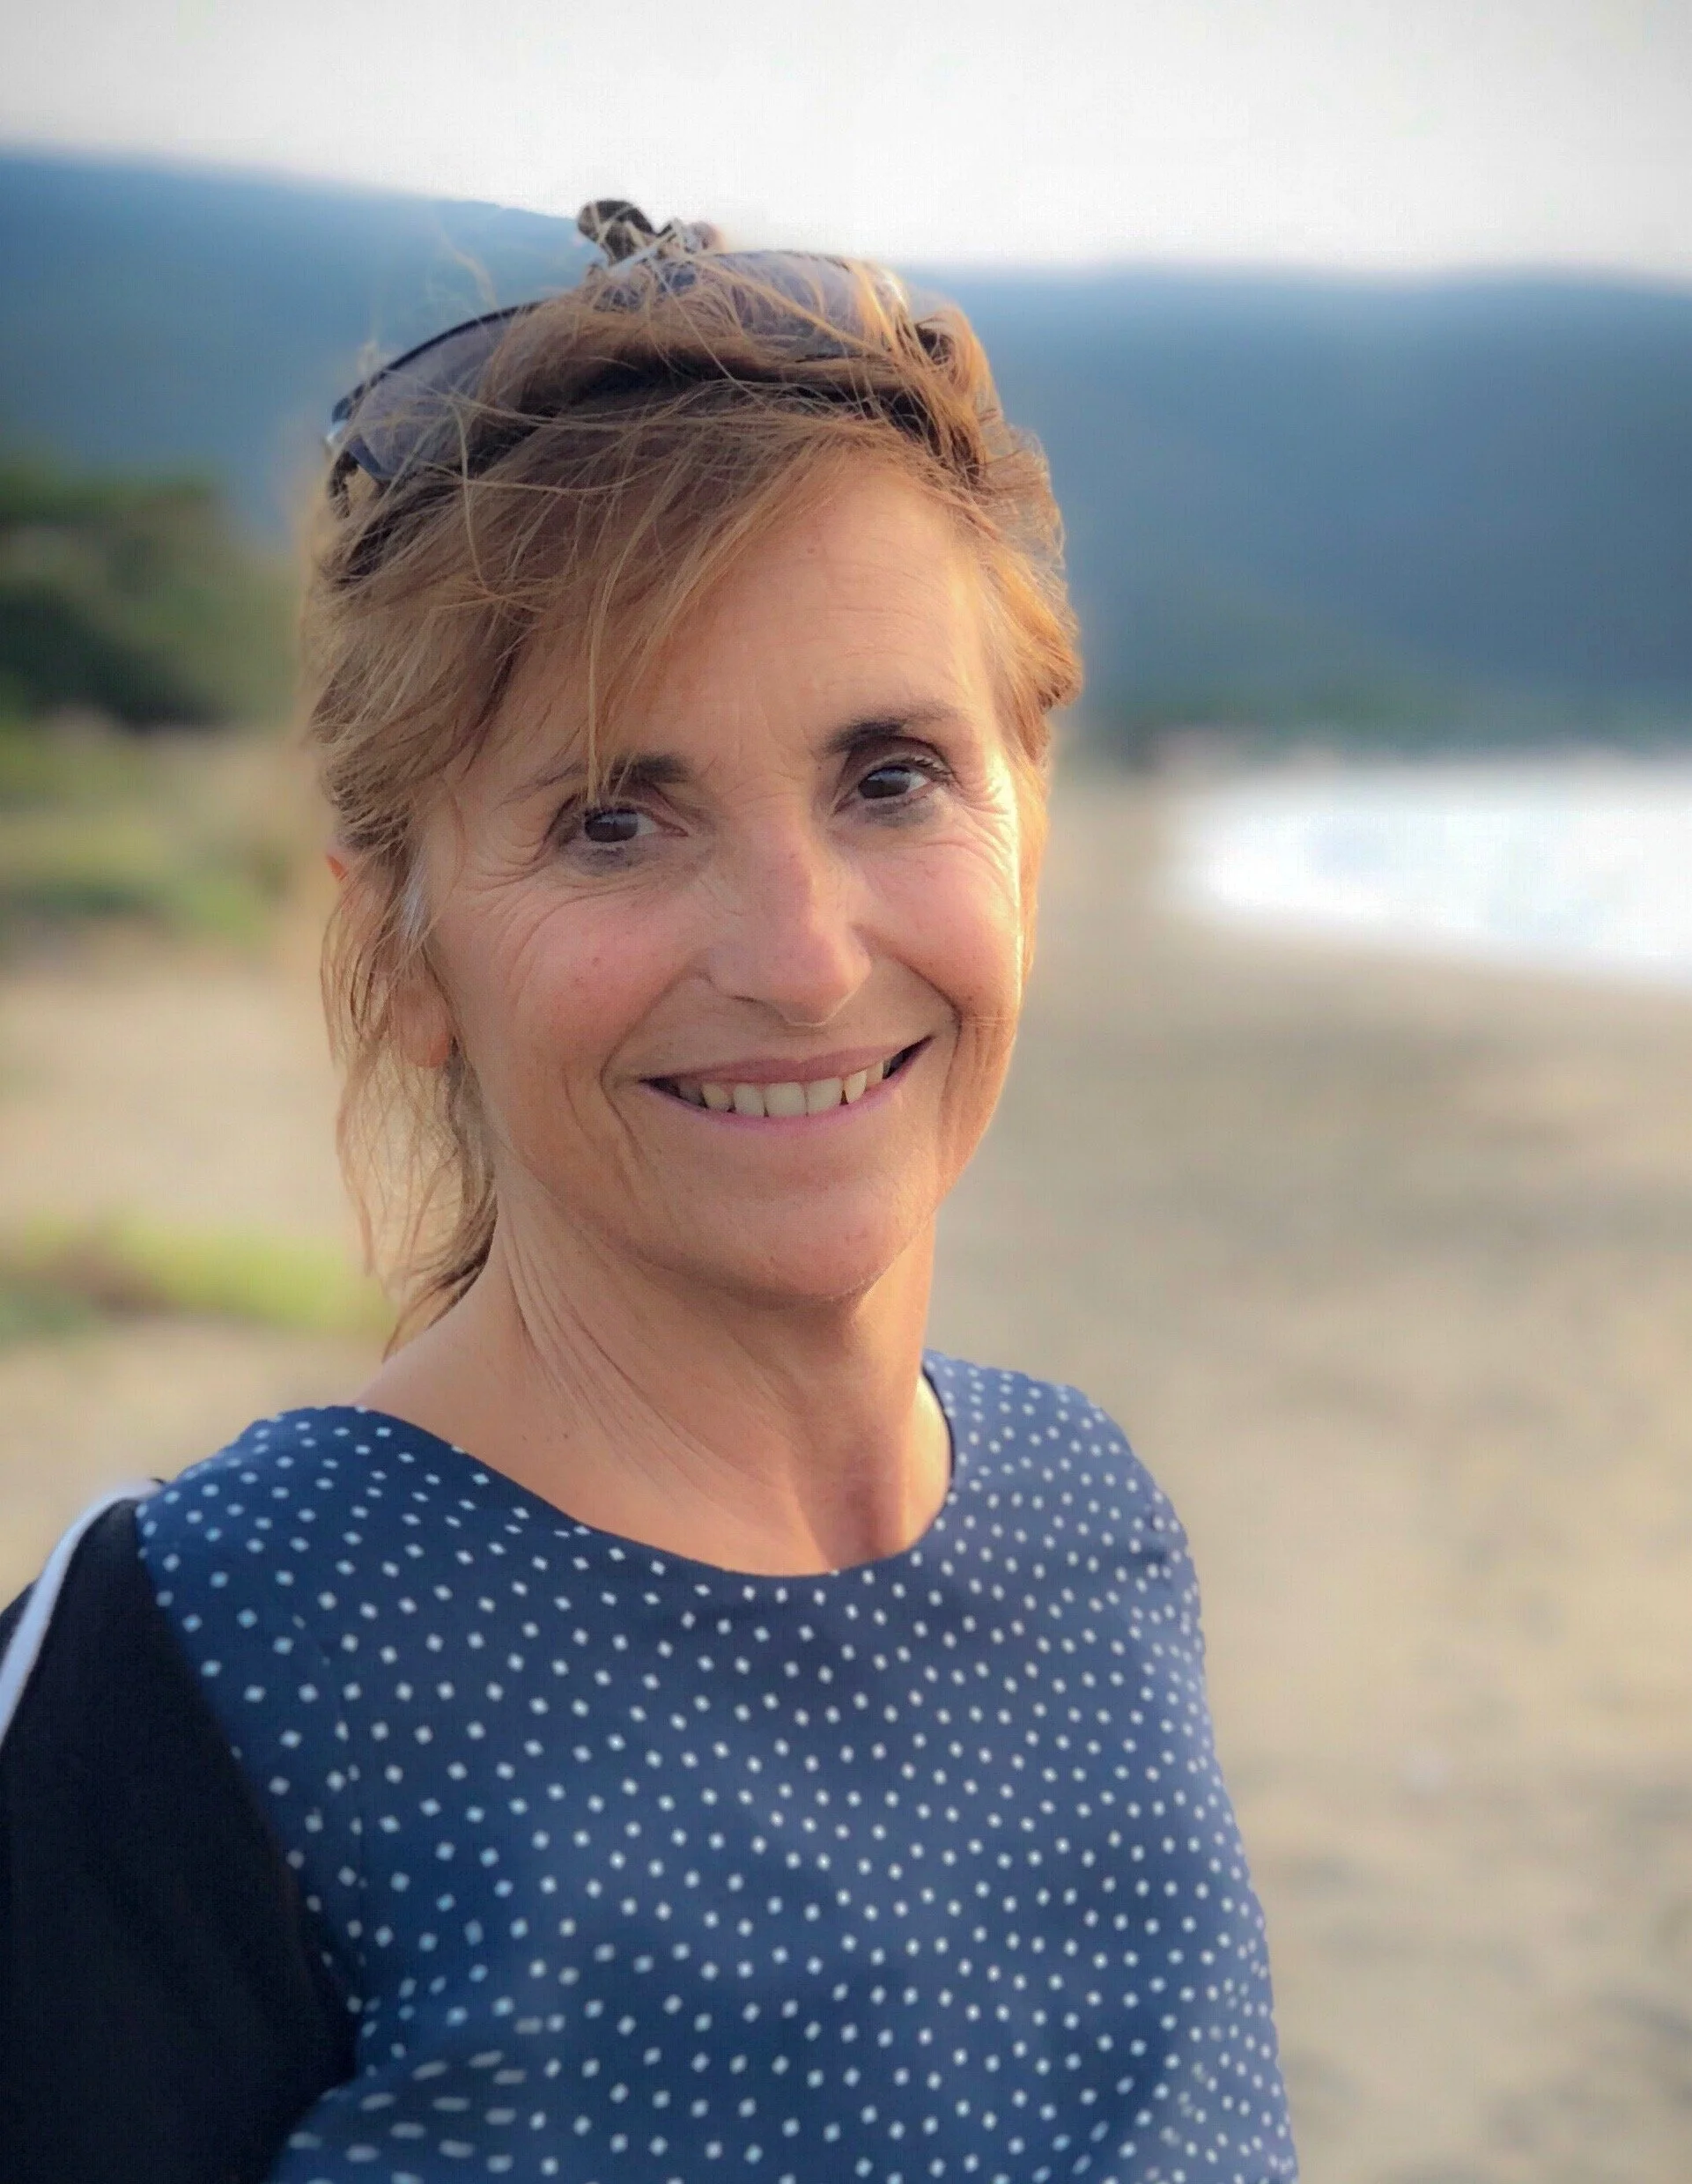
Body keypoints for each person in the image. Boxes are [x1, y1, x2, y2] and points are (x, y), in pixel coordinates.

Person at [0, 203, 1297, 2184]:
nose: (801, 957)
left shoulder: (1094, 1522)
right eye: (617, 817)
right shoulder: (209, 1663)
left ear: (1028, 831)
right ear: (407, 951)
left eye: (890, 776)